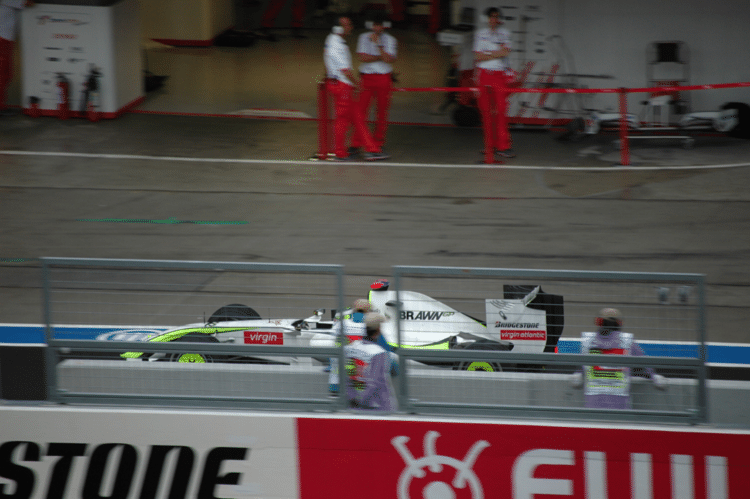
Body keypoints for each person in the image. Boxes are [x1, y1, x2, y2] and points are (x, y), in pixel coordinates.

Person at [572, 308, 666, 410]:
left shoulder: (587, 341)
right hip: (620, 408)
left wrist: (577, 375)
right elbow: (645, 366)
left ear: (598, 322)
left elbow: (580, 369)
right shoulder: (627, 342)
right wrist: (654, 376)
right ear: (619, 324)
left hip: (593, 406)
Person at [323, 17, 389, 161]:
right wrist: (357, 84)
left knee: (358, 117)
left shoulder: (332, 40)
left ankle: (372, 149)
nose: (351, 27)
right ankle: (340, 153)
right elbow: (345, 70)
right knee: (342, 120)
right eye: (348, 25)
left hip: (338, 84)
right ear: (339, 29)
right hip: (342, 86)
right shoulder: (337, 45)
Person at [350, 12, 397, 155]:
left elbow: (389, 59)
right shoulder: (363, 37)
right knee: (360, 112)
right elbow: (362, 57)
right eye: (375, 25)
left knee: (382, 111)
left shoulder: (390, 40)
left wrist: (378, 45)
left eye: (379, 25)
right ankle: (356, 143)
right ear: (371, 25)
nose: (377, 28)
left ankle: (379, 142)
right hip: (367, 78)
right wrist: (380, 57)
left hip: (383, 77)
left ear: (384, 26)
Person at [473, 7, 515, 159]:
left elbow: (505, 52)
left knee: (501, 111)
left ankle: (504, 146)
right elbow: (478, 57)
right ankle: (489, 146)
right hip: (483, 75)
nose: (494, 20)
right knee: (486, 112)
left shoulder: (505, 33)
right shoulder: (480, 34)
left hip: (499, 76)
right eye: (491, 17)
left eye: (496, 17)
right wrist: (495, 54)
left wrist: (487, 54)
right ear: (486, 18)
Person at [344, 312, 398, 411]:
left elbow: (348, 376)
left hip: (354, 405)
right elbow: (375, 382)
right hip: (378, 407)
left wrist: (353, 398)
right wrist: (363, 402)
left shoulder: (352, 347)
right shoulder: (379, 352)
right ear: (378, 329)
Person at [0, 0, 33, 116]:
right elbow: (27, 3)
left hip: (7, 36)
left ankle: (2, 105)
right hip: (2, 35)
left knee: (7, 73)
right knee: (3, 73)